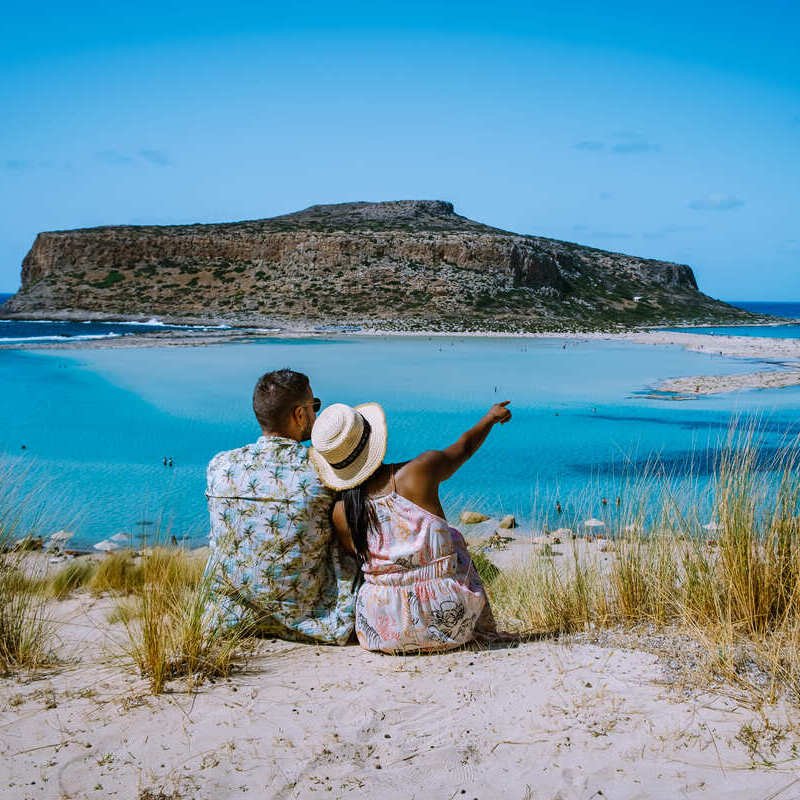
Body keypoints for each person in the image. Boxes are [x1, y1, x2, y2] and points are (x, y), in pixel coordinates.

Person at [309, 400, 511, 653]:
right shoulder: (419, 472)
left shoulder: (341, 511)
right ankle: (478, 625)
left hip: (381, 630)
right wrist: (490, 418)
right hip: (450, 621)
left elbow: (357, 557)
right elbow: (465, 447)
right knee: (453, 537)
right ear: (373, 439)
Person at [203, 369, 356, 644]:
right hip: (310, 619)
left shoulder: (219, 466)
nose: (316, 415)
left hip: (230, 617)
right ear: (299, 415)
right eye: (314, 407)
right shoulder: (321, 471)